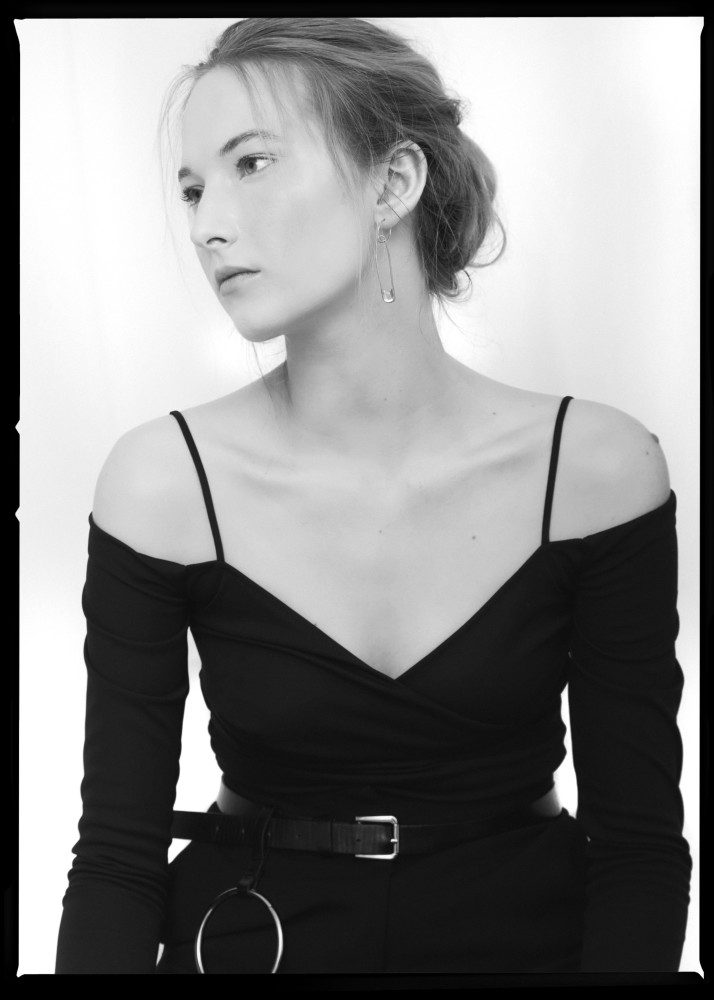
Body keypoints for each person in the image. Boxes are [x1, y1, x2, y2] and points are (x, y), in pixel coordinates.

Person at [55, 17, 691, 975]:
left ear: (393, 182)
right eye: (191, 189)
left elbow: (639, 851)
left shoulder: (594, 469)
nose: (206, 224)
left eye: (251, 164)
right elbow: (114, 860)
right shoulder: (163, 481)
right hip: (250, 945)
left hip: (533, 947)